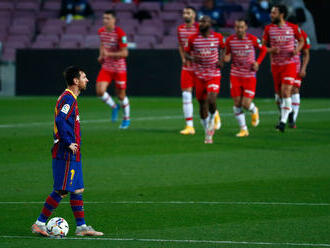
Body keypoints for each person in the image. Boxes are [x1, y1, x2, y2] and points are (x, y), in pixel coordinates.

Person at [31, 66, 103, 237]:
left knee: (78, 189)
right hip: (65, 152)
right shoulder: (68, 99)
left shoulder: (71, 99)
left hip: (73, 153)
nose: (87, 80)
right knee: (62, 190)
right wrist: (68, 142)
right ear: (76, 81)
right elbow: (60, 120)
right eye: (84, 77)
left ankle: (81, 227)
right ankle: (39, 223)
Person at [177, 6, 221, 135]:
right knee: (186, 94)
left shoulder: (201, 28)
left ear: (194, 15)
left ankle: (215, 114)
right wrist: (183, 58)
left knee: (205, 98)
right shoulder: (180, 29)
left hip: (201, 69)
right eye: (184, 12)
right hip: (188, 66)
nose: (186, 14)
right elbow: (181, 45)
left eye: (188, 12)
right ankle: (189, 126)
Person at [262, 4, 304, 132]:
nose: (271, 15)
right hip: (276, 66)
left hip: (289, 65)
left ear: (281, 15)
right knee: (279, 96)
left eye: (274, 13)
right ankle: (288, 112)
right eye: (271, 12)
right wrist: (271, 50)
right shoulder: (268, 29)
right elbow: (263, 47)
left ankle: (282, 123)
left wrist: (297, 49)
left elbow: (301, 41)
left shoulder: (293, 28)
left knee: (286, 91)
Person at [185, 15, 225, 144]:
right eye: (200, 21)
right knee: (202, 105)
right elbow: (186, 52)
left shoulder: (217, 37)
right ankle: (207, 132)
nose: (200, 23)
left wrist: (221, 60)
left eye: (204, 21)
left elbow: (223, 48)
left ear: (210, 23)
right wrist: (191, 58)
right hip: (199, 75)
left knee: (212, 98)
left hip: (213, 74)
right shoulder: (193, 38)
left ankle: (213, 118)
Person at [224, 19, 267, 137]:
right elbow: (227, 55)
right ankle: (243, 129)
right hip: (235, 75)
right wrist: (225, 57)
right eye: (237, 27)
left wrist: (258, 62)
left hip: (249, 75)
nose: (239, 30)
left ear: (246, 27)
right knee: (237, 103)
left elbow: (263, 50)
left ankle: (254, 110)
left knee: (246, 104)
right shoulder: (230, 40)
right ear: (235, 28)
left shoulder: (252, 39)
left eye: (241, 27)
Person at [96, 10, 130, 129]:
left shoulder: (120, 33)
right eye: (104, 18)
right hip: (107, 67)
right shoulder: (101, 31)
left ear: (114, 20)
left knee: (121, 95)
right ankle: (114, 107)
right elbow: (102, 44)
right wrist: (101, 55)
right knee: (100, 91)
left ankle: (126, 118)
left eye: (108, 18)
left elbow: (125, 53)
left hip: (119, 69)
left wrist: (109, 54)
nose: (105, 20)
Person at [289, 27, 311, 128]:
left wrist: (303, 68)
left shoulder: (303, 35)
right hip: (283, 66)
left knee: (294, 89)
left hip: (296, 67)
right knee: (284, 92)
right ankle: (286, 114)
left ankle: (293, 120)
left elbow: (306, 54)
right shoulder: (283, 32)